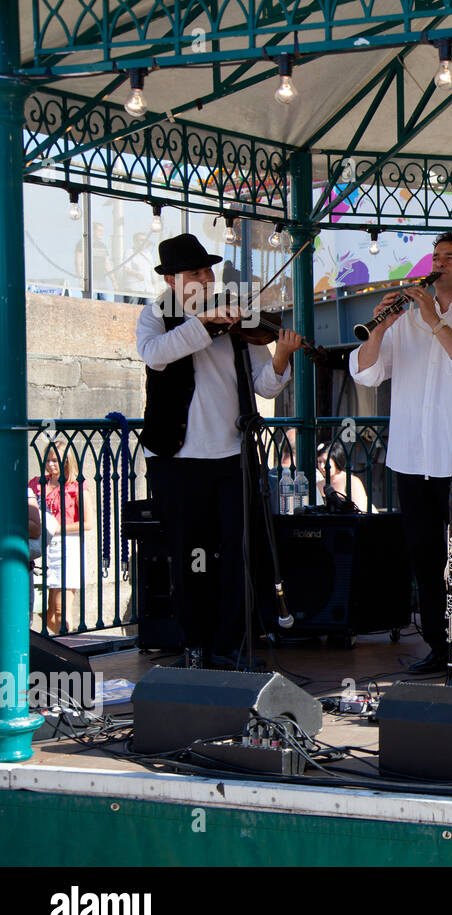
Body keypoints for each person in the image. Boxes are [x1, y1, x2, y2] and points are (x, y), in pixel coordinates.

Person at [137, 233, 303, 668]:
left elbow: (263, 385)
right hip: (177, 459)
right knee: (190, 556)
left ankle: (229, 645)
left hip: (233, 456)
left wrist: (282, 357)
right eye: (196, 273)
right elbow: (155, 355)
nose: (207, 278)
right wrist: (206, 323)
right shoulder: (156, 315)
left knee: (236, 553)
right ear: (172, 280)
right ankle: (193, 643)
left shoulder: (237, 324)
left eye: (209, 271)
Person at [350, 233, 452, 675]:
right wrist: (379, 326)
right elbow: (366, 375)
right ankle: (439, 648)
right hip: (411, 457)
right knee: (424, 556)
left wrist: (435, 320)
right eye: (435, 257)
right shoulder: (404, 320)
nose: (438, 264)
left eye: (449, 258)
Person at [29, 442, 81, 634]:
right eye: (48, 460)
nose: (51, 464)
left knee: (60, 610)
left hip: (66, 547)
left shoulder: (75, 486)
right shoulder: (35, 483)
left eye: (56, 460)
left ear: (67, 462)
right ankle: (65, 644)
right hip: (42, 548)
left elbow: (87, 523)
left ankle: (68, 652)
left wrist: (54, 529)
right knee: (43, 611)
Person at [316, 443, 370, 513]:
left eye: (326, 462)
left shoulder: (353, 482)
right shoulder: (318, 484)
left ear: (336, 460)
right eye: (319, 462)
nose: (322, 466)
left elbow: (360, 511)